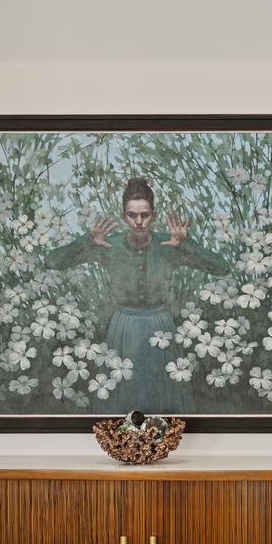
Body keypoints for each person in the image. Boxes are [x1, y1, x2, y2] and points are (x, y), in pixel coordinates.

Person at [43, 176, 229, 414]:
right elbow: (52, 262)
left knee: (163, 400)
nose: (139, 221)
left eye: (145, 214)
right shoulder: (108, 246)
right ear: (124, 216)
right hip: (123, 330)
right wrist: (88, 241)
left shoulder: (170, 245)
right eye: (132, 215)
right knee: (121, 397)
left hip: (161, 328)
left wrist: (186, 244)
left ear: (154, 214)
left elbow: (222, 267)